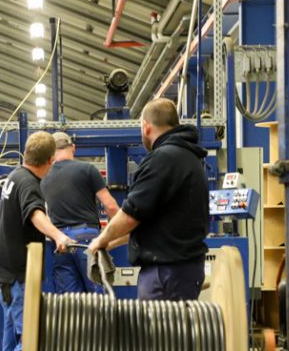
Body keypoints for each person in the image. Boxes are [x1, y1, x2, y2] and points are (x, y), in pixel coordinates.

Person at [88, 98, 208, 300]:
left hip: (166, 274)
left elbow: (131, 215)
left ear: (145, 127)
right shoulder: (189, 157)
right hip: (182, 270)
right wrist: (110, 243)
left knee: (159, 331)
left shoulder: (162, 159)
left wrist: (100, 240)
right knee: (175, 331)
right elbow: (154, 222)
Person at [0, 131, 70, 351]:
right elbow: (36, 214)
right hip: (18, 275)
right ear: (50, 161)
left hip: (5, 272)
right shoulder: (31, 184)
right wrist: (58, 235)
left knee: (12, 339)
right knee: (27, 339)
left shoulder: (13, 176)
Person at [41, 131, 119, 293]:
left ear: (52, 153)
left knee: (71, 304)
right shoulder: (87, 169)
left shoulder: (44, 178)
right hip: (86, 239)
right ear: (73, 148)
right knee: (97, 298)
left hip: (60, 243)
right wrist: (118, 233)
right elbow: (110, 207)